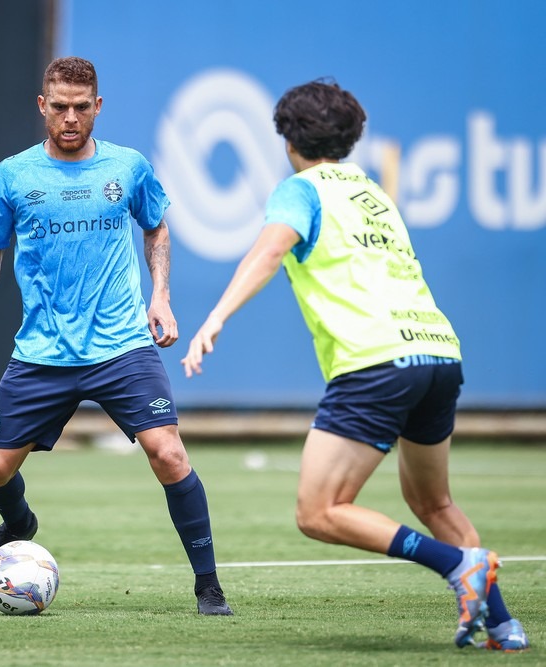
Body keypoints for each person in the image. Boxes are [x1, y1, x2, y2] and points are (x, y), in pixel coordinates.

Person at [181, 79, 528, 650]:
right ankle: (504, 624)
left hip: (378, 361)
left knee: (319, 512)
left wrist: (216, 317)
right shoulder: (373, 192)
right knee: (433, 501)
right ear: (351, 138)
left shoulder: (300, 189)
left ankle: (454, 564)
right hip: (438, 352)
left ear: (287, 138)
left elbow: (269, 250)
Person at [0, 56, 232, 616]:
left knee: (169, 454)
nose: (71, 118)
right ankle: (18, 522)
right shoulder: (14, 173)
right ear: (42, 107)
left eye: (82, 107)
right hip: (43, 351)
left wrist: (161, 297)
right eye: (60, 107)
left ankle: (209, 587)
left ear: (97, 106)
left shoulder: (129, 167)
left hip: (121, 343)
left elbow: (156, 227)